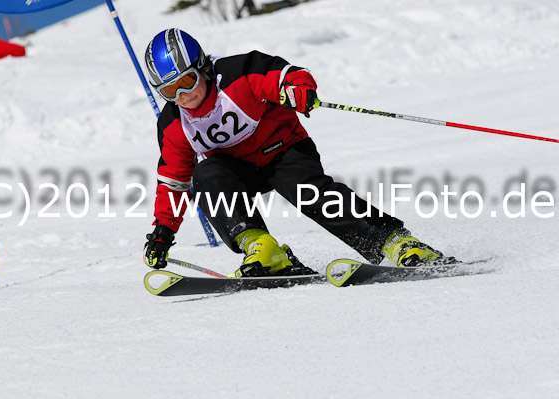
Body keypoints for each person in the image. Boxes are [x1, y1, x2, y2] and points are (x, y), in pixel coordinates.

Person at [143, 28, 455, 277]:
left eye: (187, 82)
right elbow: (173, 181)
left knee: (307, 192)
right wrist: (163, 232)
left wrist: (297, 89)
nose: (184, 96)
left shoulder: (238, 72)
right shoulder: (173, 123)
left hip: (283, 151)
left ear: (204, 68)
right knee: (205, 175)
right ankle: (264, 249)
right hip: (238, 171)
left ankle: (396, 243)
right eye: (170, 92)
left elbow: (285, 74)